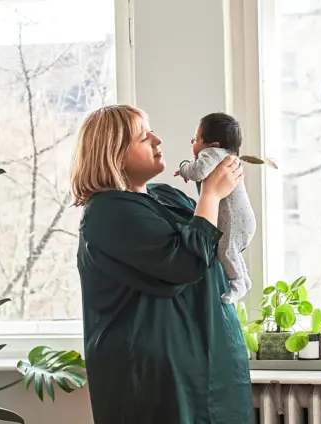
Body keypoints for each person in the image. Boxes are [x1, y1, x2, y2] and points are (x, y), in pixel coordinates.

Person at [71, 105, 253, 423]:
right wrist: (210, 194)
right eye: (144, 137)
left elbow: (215, 242)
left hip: (212, 373)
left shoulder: (166, 196)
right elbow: (184, 265)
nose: (157, 140)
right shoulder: (108, 212)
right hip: (157, 384)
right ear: (113, 153)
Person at [175, 112, 262, 305]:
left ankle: (237, 283)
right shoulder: (228, 156)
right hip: (242, 219)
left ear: (213, 145)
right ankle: (244, 278)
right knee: (232, 250)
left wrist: (183, 168)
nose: (192, 142)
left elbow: (198, 171)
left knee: (226, 250)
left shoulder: (212, 154)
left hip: (234, 219)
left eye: (196, 139)